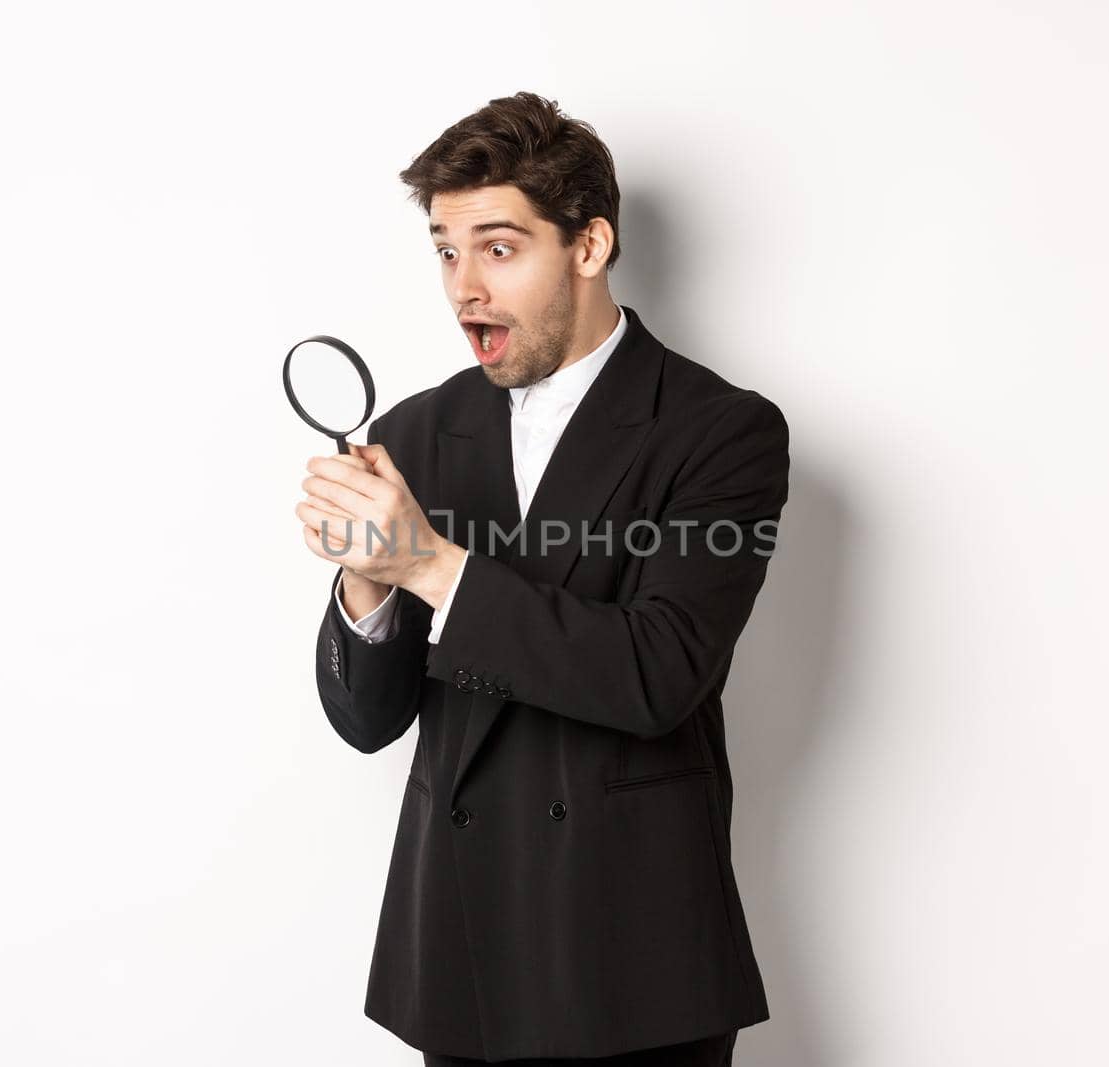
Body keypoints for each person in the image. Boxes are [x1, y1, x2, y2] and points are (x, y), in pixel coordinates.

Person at [298, 91, 789, 1065]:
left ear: (589, 244)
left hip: (635, 957)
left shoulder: (720, 431)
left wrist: (428, 564)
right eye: (445, 249)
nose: (463, 286)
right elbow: (366, 721)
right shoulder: (413, 435)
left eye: (498, 246)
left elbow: (656, 674)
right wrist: (367, 586)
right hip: (459, 952)